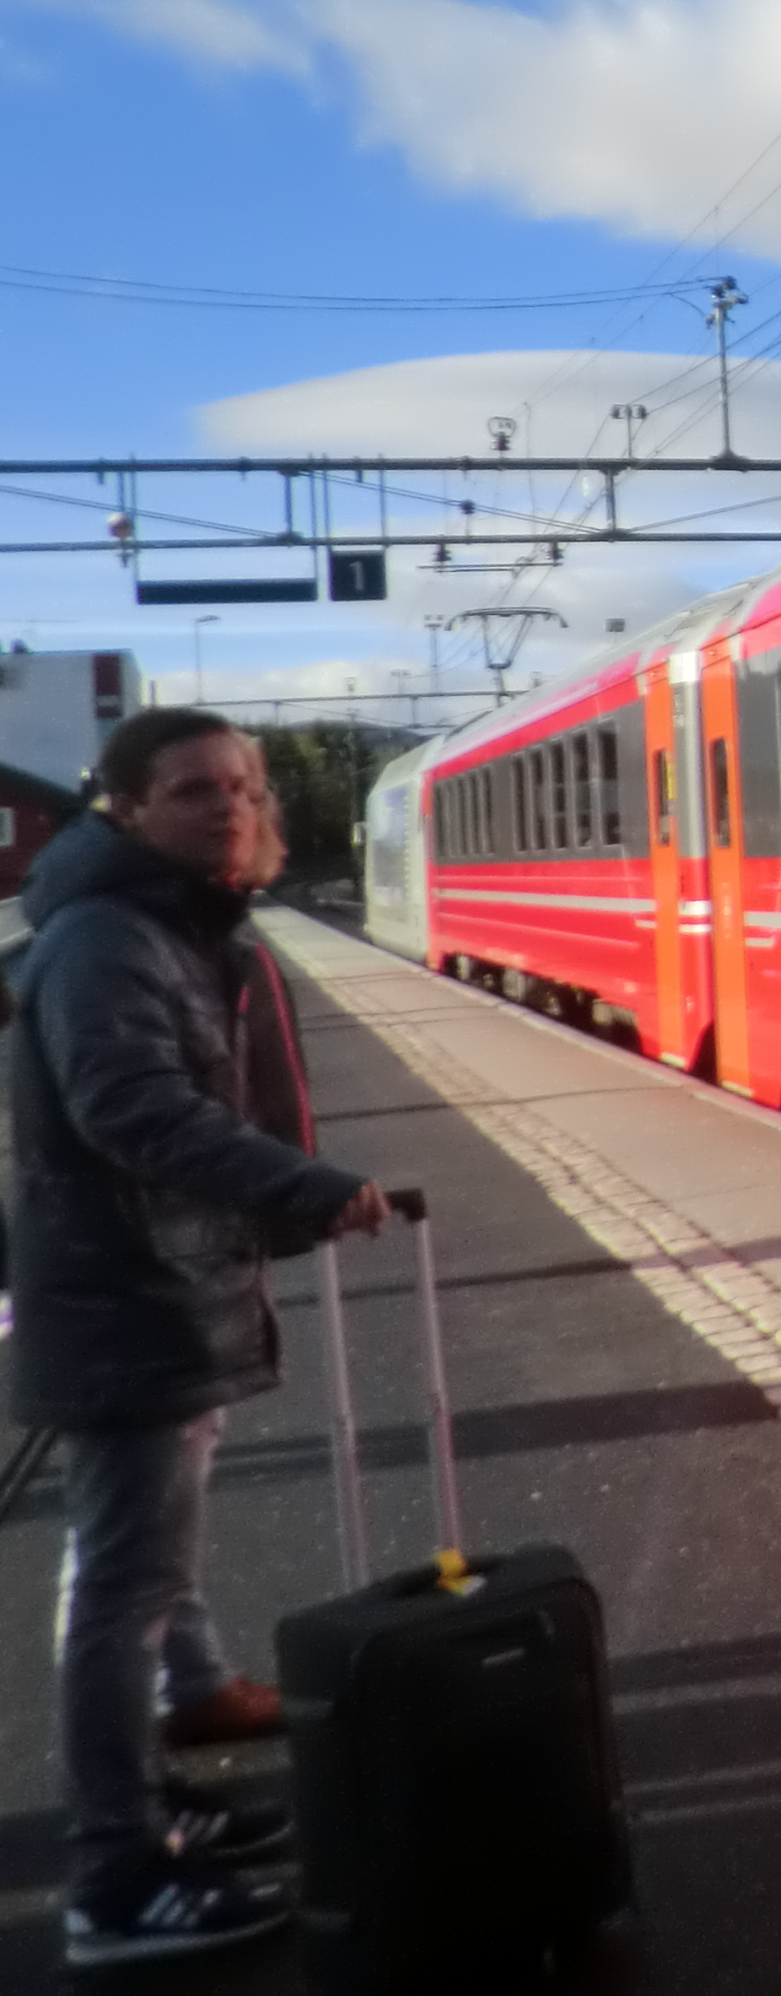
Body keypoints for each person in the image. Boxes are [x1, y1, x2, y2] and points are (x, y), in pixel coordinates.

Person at [8, 708, 387, 1966]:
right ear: (123, 806)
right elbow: (133, 1111)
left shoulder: (159, 921)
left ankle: (185, 1726)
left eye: (242, 785)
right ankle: (115, 1880)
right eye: (190, 789)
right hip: (131, 1291)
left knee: (138, 1558)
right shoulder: (111, 936)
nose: (227, 806)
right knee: (123, 1580)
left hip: (158, 1283)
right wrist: (300, 1184)